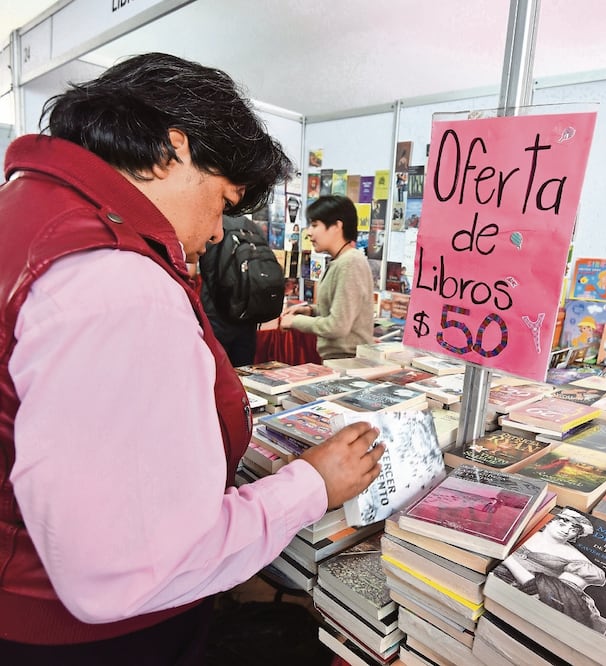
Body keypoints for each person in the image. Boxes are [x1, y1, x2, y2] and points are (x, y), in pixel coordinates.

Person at [0, 53, 385, 663]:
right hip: (95, 638)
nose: (215, 233)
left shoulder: (29, 215)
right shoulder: (115, 280)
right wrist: (311, 484)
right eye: (224, 201)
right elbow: (123, 569)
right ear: (172, 149)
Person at [273, 195, 374, 359]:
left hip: (347, 361)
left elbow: (338, 326)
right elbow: (341, 310)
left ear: (337, 226)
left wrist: (294, 321)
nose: (309, 233)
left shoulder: (350, 263)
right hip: (340, 361)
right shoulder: (340, 261)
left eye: (314, 225)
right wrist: (309, 311)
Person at [492, 508, 606, 632]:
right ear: (549, 521)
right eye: (561, 524)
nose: (566, 531)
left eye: (573, 530)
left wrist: (508, 561)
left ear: (577, 535)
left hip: (526, 593)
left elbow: (553, 590)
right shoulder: (527, 530)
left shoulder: (577, 558)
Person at [199, 214, 266, 366]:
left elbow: (194, 270)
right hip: (247, 315)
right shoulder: (251, 226)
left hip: (216, 314)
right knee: (242, 375)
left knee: (214, 374)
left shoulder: (212, 224)